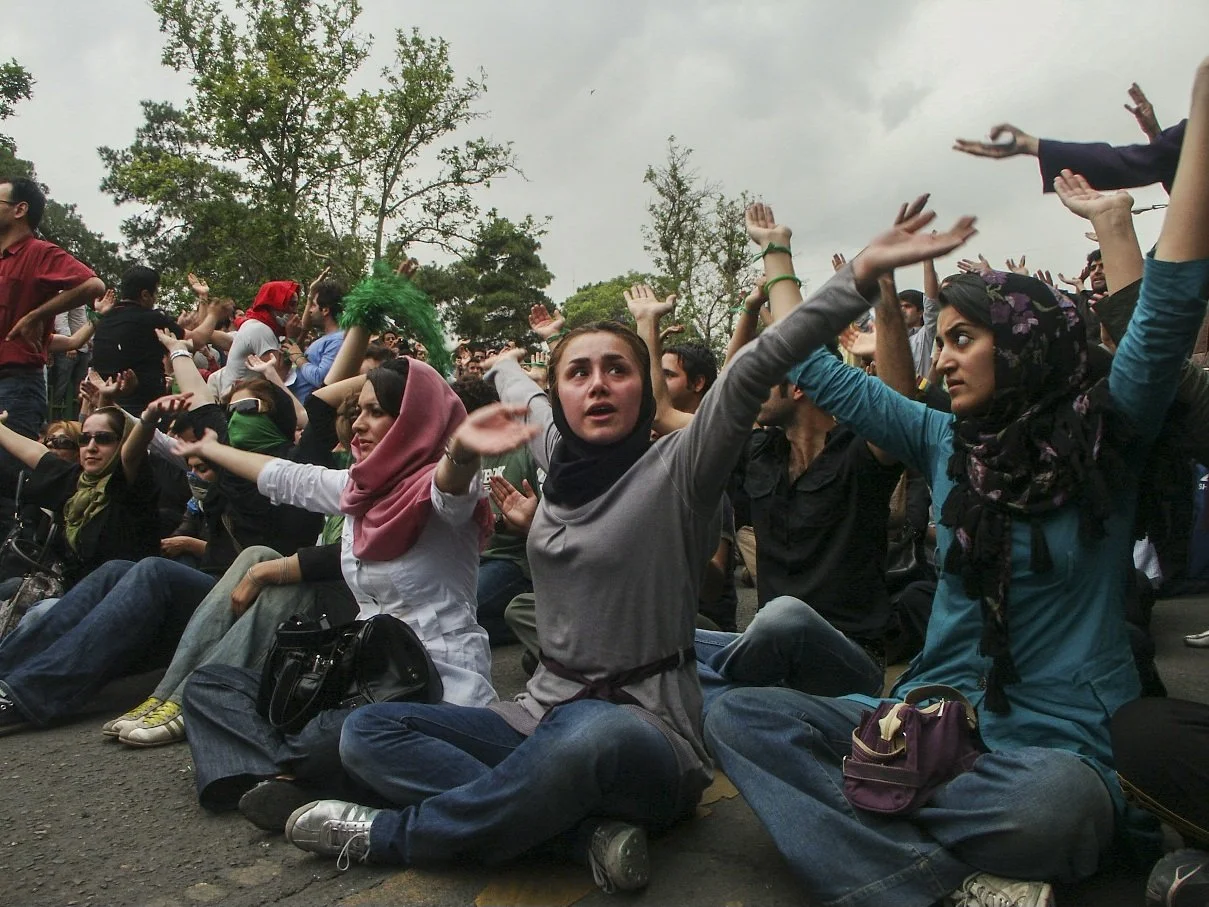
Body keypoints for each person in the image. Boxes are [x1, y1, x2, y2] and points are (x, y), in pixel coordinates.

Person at [276, 203, 976, 893]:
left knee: (589, 736)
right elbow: (523, 388)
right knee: (368, 731)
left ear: (642, 387)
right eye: (578, 372)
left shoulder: (679, 467)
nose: (598, 383)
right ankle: (582, 838)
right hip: (536, 715)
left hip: (646, 735)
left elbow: (758, 363)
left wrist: (858, 275)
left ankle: (395, 834)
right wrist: (509, 366)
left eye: (618, 368)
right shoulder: (551, 444)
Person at [703, 67, 1209, 907]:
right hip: (922, 723)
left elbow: (1167, 303)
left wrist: (1200, 121)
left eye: (960, 338)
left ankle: (872, 838)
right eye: (938, 341)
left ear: (1020, 341)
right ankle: (949, 884)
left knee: (1056, 807)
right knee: (740, 718)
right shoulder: (945, 438)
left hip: (1049, 750)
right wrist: (777, 252)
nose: (938, 359)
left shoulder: (1104, 434)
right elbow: (814, 366)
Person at [177, 356, 505, 828]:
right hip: (356, 674)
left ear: (415, 419)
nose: (357, 424)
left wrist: (461, 449)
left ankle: (298, 775)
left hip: (429, 681)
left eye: (377, 412)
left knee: (339, 734)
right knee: (211, 685)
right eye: (359, 411)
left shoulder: (444, 494)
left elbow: (451, 484)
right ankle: (305, 780)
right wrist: (211, 449)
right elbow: (283, 476)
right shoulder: (357, 490)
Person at [0, 176, 105, 505]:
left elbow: (93, 286)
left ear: (20, 209)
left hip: (15, 383)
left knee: (8, 482)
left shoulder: (39, 252)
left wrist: (35, 315)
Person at [89, 266, 219, 415]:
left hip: (107, 408)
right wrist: (214, 314)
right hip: (143, 409)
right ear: (145, 294)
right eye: (155, 292)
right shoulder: (151, 319)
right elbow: (196, 340)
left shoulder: (105, 319)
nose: (155, 298)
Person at [213, 280, 299, 397]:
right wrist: (292, 337)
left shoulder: (262, 326)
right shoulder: (260, 330)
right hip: (241, 403)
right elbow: (278, 377)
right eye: (291, 304)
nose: (295, 311)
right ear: (275, 305)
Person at [282, 278, 344, 403]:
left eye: (314, 305)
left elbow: (322, 379)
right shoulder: (327, 338)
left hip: (309, 414)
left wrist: (299, 358)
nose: (310, 310)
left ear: (325, 310)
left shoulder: (337, 340)